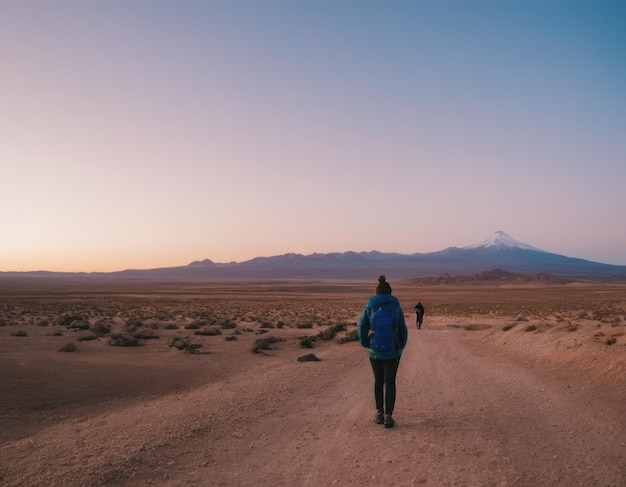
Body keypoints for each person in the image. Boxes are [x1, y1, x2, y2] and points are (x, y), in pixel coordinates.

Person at [358, 275, 408, 428]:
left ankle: (379, 413)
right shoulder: (396, 307)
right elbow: (403, 329)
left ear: (377, 292)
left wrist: (366, 342)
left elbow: (362, 326)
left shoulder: (370, 307)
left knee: (378, 381)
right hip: (392, 350)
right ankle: (388, 416)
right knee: (390, 381)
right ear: (390, 293)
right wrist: (401, 346)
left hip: (375, 350)